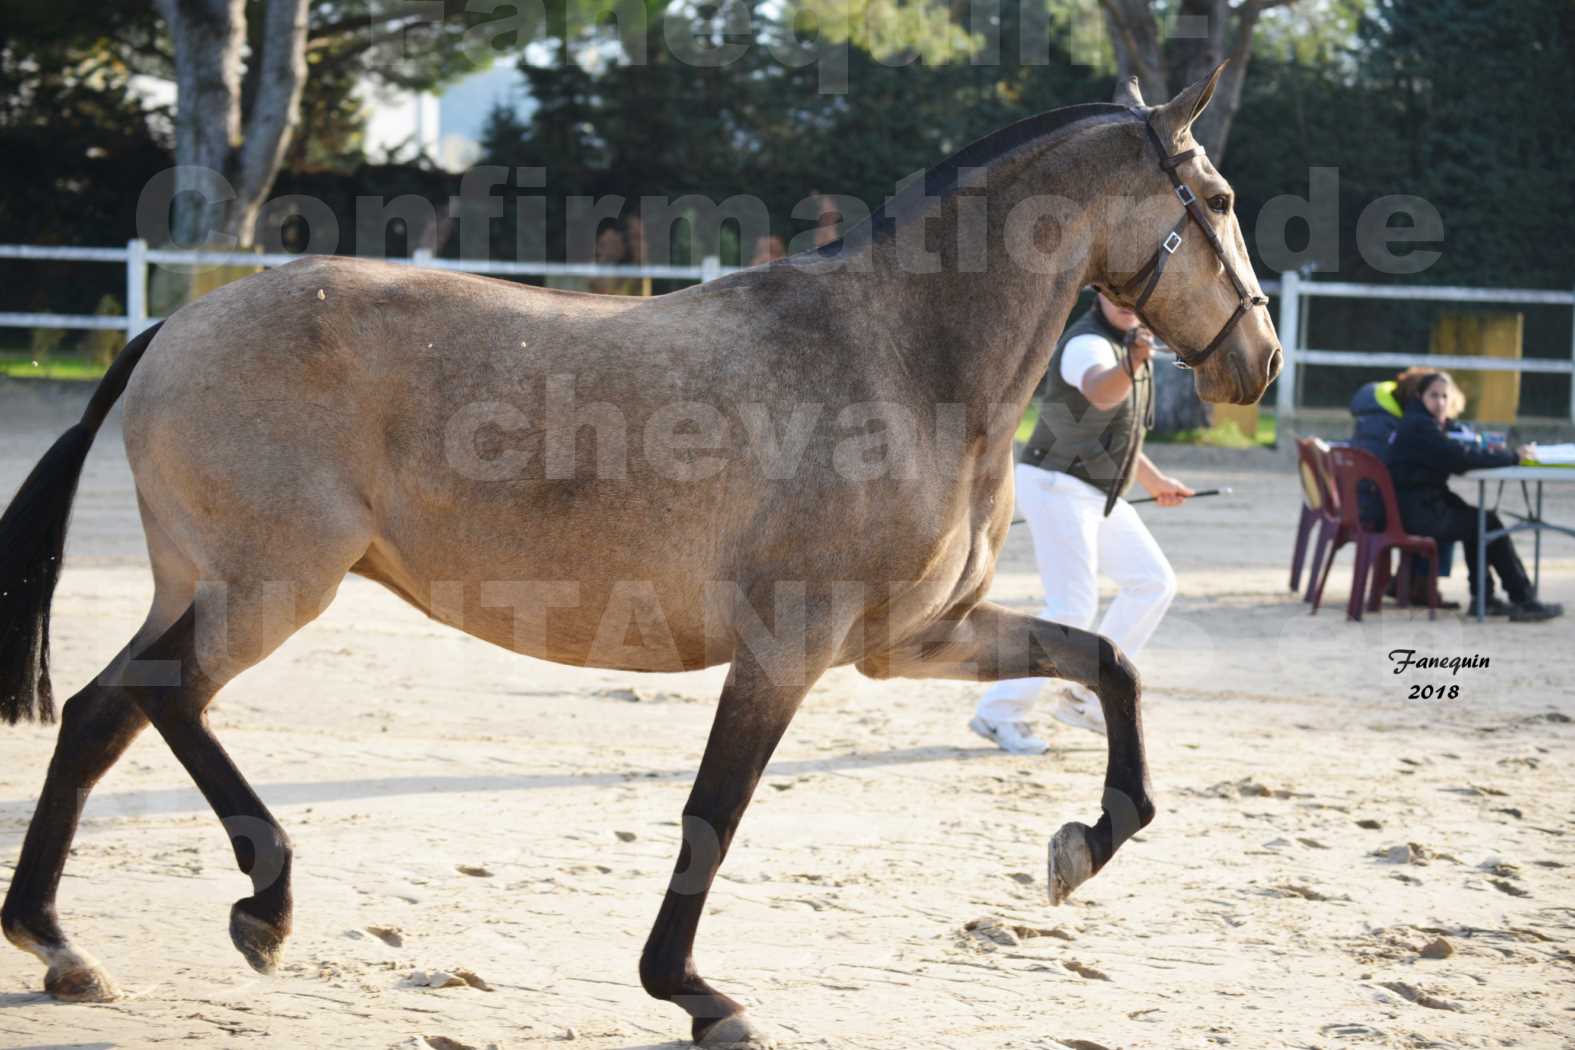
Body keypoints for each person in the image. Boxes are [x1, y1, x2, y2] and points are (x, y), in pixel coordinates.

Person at [970, 291, 1193, 755]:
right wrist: (1132, 363)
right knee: (1071, 608)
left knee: (1153, 582)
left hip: (1099, 489)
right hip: (1057, 483)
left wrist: (1153, 481)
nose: (1127, 303)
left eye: (1135, 296)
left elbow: (1118, 426)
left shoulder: (1130, 345)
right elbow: (1099, 389)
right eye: (1117, 294)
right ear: (1100, 296)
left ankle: (1085, 696)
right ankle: (998, 712)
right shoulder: (1087, 344)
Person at [1387, 370, 1561, 622]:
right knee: (1486, 523)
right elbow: (1460, 459)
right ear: (1419, 396)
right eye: (1434, 396)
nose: (1441, 402)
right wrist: (1513, 457)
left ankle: (1486, 598)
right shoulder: (1419, 426)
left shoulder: (1420, 422)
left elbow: (1455, 446)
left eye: (1445, 396)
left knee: (1480, 520)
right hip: (1418, 513)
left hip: (1416, 506)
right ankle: (1522, 599)